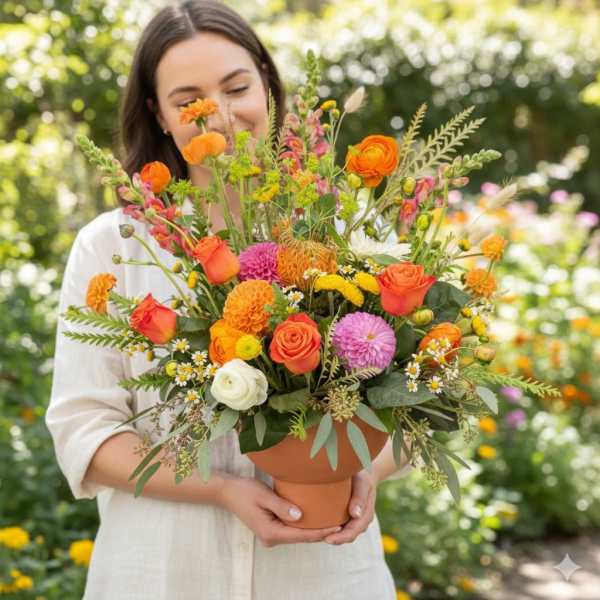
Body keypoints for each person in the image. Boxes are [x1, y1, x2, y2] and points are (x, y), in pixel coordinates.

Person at [45, 2, 411, 598]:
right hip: (162, 574)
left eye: (236, 88)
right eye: (188, 100)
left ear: (267, 85)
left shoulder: (350, 230)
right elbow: (83, 429)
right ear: (159, 115)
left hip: (324, 572)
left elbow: (414, 399)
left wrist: (363, 469)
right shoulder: (114, 246)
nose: (217, 112)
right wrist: (218, 489)